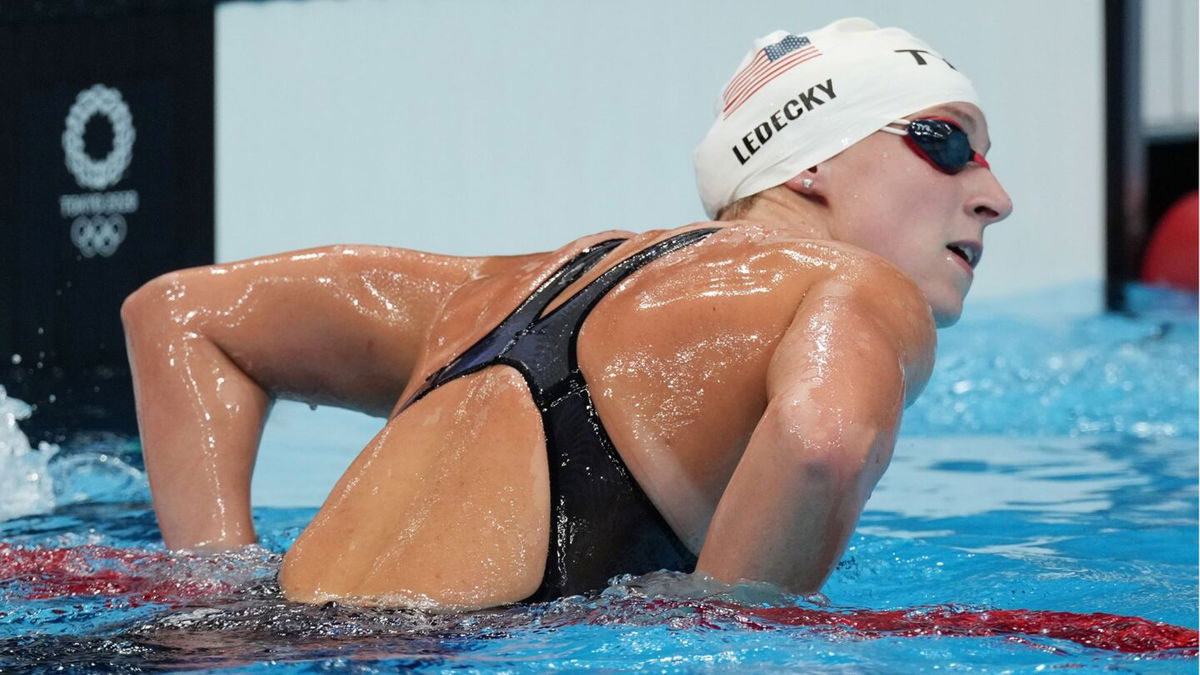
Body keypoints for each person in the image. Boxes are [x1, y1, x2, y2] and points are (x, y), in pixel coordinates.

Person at [121, 18, 1012, 610]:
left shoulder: (502, 285)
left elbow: (182, 313)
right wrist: (723, 628)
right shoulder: (855, 286)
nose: (995, 196)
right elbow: (823, 441)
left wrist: (218, 596)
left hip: (262, 638)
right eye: (947, 142)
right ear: (808, 161)